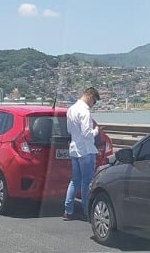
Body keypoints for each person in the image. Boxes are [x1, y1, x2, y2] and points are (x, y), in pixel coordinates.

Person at [63, 87, 101, 221]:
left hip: (74, 149)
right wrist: (96, 130)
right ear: (90, 96)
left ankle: (68, 210)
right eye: (94, 101)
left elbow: (69, 129)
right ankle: (86, 210)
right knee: (87, 182)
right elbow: (87, 133)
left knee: (74, 180)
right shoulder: (84, 111)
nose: (93, 104)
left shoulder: (71, 109)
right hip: (86, 150)